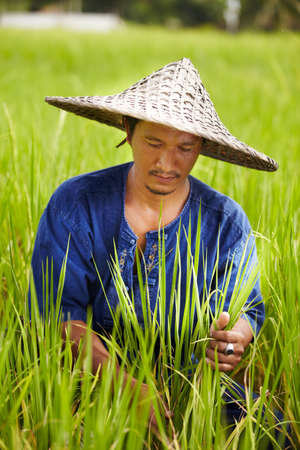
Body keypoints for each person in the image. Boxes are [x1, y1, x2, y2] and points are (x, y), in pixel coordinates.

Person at [29, 58, 278, 431]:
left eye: (185, 147)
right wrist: (125, 386)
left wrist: (232, 340)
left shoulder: (226, 221)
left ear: (202, 147)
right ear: (128, 130)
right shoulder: (76, 204)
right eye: (153, 142)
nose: (166, 162)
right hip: (87, 381)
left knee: (273, 431)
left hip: (194, 386)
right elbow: (60, 317)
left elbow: (246, 312)